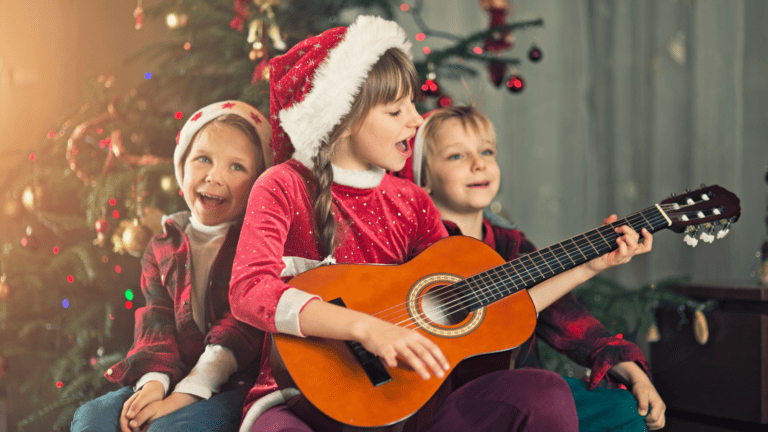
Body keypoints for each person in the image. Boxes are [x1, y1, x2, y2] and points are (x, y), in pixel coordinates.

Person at [229, 15, 651, 432]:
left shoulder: (411, 202)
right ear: (344, 119)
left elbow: (484, 306)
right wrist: (364, 329)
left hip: (414, 405)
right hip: (301, 399)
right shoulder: (283, 185)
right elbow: (249, 290)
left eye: (413, 104)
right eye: (396, 111)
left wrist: (589, 265)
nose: (416, 120)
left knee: (544, 392)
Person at [396, 104, 666, 431]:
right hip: (448, 400)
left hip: (521, 389)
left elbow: (568, 320)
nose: (478, 163)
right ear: (421, 179)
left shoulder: (512, 246)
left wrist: (635, 376)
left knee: (623, 409)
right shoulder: (416, 245)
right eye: (457, 156)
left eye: (486, 151)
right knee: (542, 396)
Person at [71, 101, 271, 432]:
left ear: (257, 184)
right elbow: (156, 319)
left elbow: (240, 327)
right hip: (171, 373)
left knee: (170, 428)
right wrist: (153, 384)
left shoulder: (255, 245)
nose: (214, 176)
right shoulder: (162, 246)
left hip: (232, 385)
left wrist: (184, 395)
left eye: (237, 167)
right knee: (94, 419)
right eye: (204, 159)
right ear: (182, 167)